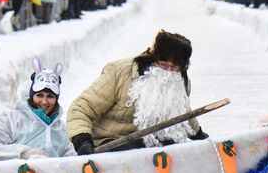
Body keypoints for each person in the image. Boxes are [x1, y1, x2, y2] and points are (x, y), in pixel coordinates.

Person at [67, 31, 208, 155]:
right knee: (132, 149)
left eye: (174, 67)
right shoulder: (120, 72)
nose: (167, 73)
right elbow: (80, 109)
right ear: (153, 58)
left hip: (152, 144)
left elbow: (182, 111)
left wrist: (198, 135)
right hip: (112, 143)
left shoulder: (179, 81)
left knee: (176, 150)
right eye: (164, 65)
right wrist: (82, 141)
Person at [0, 58, 77, 160]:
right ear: (31, 96)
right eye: (40, 95)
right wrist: (23, 153)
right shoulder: (10, 120)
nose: (44, 101)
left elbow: (71, 159)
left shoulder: (60, 129)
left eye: (50, 96)